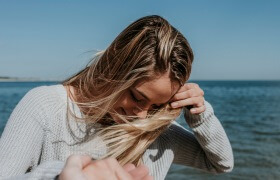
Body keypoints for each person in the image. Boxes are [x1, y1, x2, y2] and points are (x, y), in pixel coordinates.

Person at [0, 15, 234, 180]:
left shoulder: (156, 132)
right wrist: (58, 176)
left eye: (157, 105)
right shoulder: (46, 107)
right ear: (115, 66)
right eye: (136, 97)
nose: (142, 114)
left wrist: (200, 115)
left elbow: (221, 163)